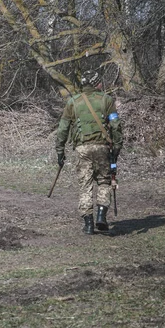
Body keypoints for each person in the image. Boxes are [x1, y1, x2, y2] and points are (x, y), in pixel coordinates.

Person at [55, 70, 123, 234]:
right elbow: (115, 125)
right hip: (102, 147)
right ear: (97, 84)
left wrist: (60, 151)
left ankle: (88, 225)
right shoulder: (106, 100)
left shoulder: (72, 102)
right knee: (104, 181)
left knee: (85, 185)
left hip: (82, 148)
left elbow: (63, 129)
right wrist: (117, 147)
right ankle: (101, 215)